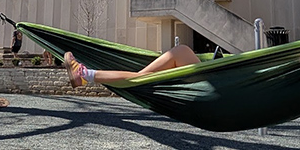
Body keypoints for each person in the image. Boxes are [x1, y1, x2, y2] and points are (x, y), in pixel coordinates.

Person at [64, 45, 200, 87]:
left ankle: (85, 75)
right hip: (214, 79)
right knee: (181, 52)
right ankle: (86, 75)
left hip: (214, 82)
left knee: (181, 51)